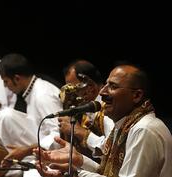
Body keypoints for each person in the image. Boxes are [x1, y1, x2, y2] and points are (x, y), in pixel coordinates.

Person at [35, 64, 172, 177]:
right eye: (106, 84)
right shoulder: (125, 125)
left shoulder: (143, 129)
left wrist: (76, 174)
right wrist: (80, 161)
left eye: (113, 86)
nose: (102, 92)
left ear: (136, 95)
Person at [0, 53, 63, 177]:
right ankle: (1, 164)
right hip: (38, 147)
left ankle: (5, 167)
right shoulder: (32, 91)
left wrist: (26, 151)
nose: (5, 86)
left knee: (5, 115)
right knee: (6, 115)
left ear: (17, 78)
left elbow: (58, 136)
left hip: (55, 153)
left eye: (6, 81)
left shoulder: (43, 95)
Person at [58, 60, 114, 161]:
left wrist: (79, 131)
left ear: (90, 87)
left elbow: (112, 148)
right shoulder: (85, 108)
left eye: (74, 89)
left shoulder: (108, 109)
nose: (71, 95)